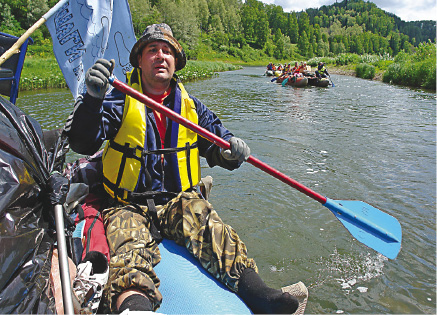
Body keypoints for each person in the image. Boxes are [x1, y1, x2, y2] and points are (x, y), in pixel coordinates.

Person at [65, 23, 302, 314]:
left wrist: (232, 152)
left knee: (209, 224)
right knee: (127, 246)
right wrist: (92, 100)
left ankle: (259, 294)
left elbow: (218, 145)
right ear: (140, 60)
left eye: (167, 51)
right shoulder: (117, 98)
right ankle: (135, 307)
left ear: (175, 63)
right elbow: (82, 142)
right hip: (127, 204)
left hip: (179, 202)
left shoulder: (193, 107)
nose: (160, 56)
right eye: (152, 50)